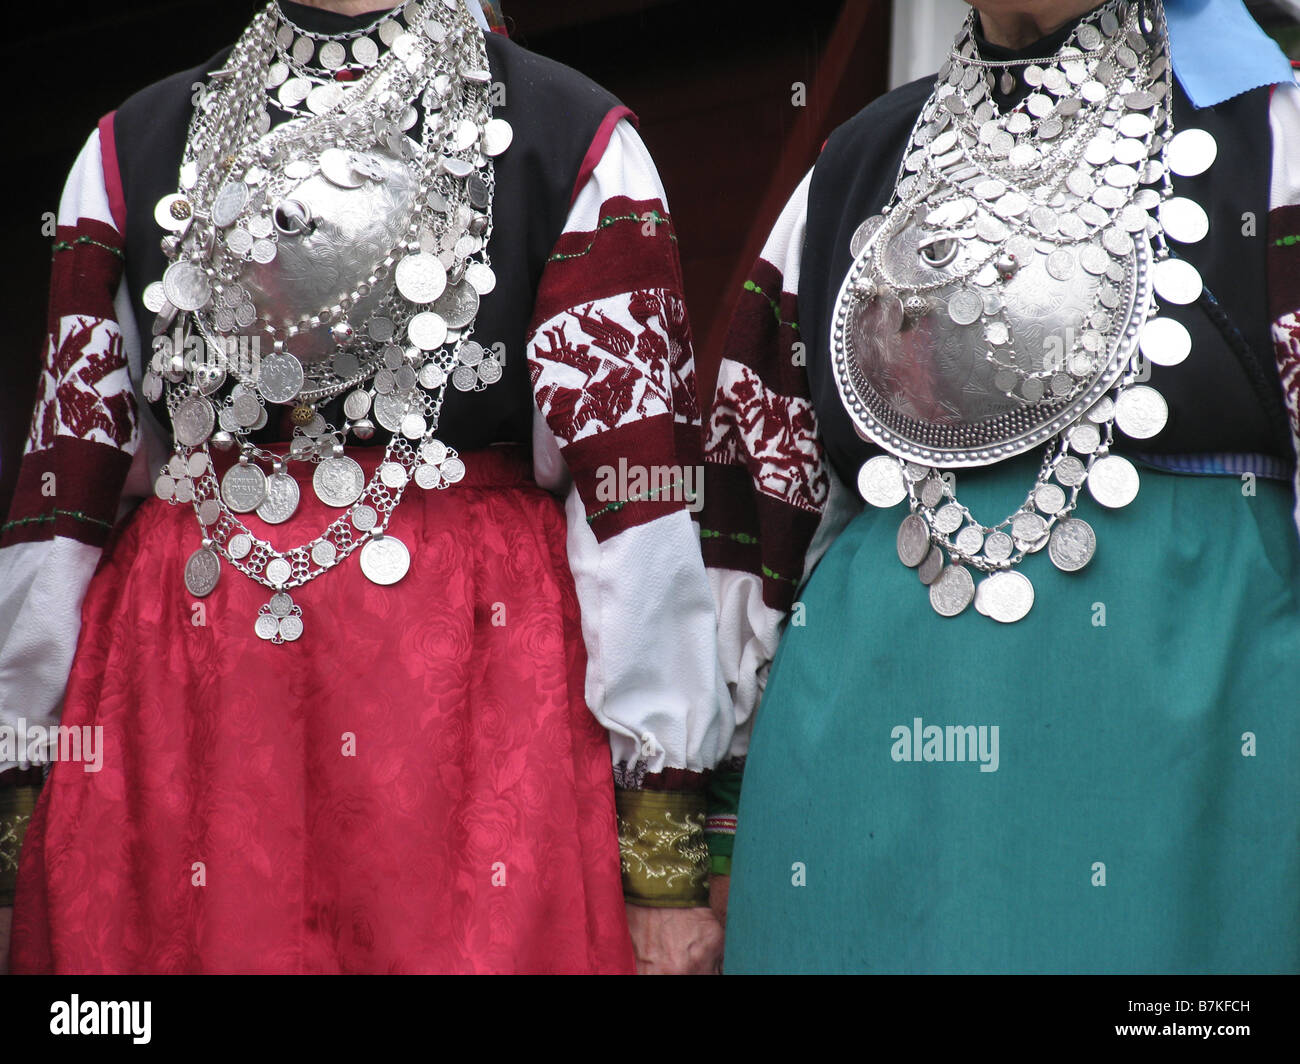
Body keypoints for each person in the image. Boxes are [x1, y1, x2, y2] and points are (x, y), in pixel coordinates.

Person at [0, 0, 727, 974]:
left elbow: (636, 506)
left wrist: (661, 853)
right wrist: (20, 791)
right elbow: (65, 495)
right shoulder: (133, 146)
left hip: (470, 695)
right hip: (189, 703)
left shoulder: (568, 133)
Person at [701, 0, 1300, 972]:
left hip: (1192, 765)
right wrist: (686, 820)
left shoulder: (1266, 133)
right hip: (866, 764)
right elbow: (746, 493)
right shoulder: (859, 162)